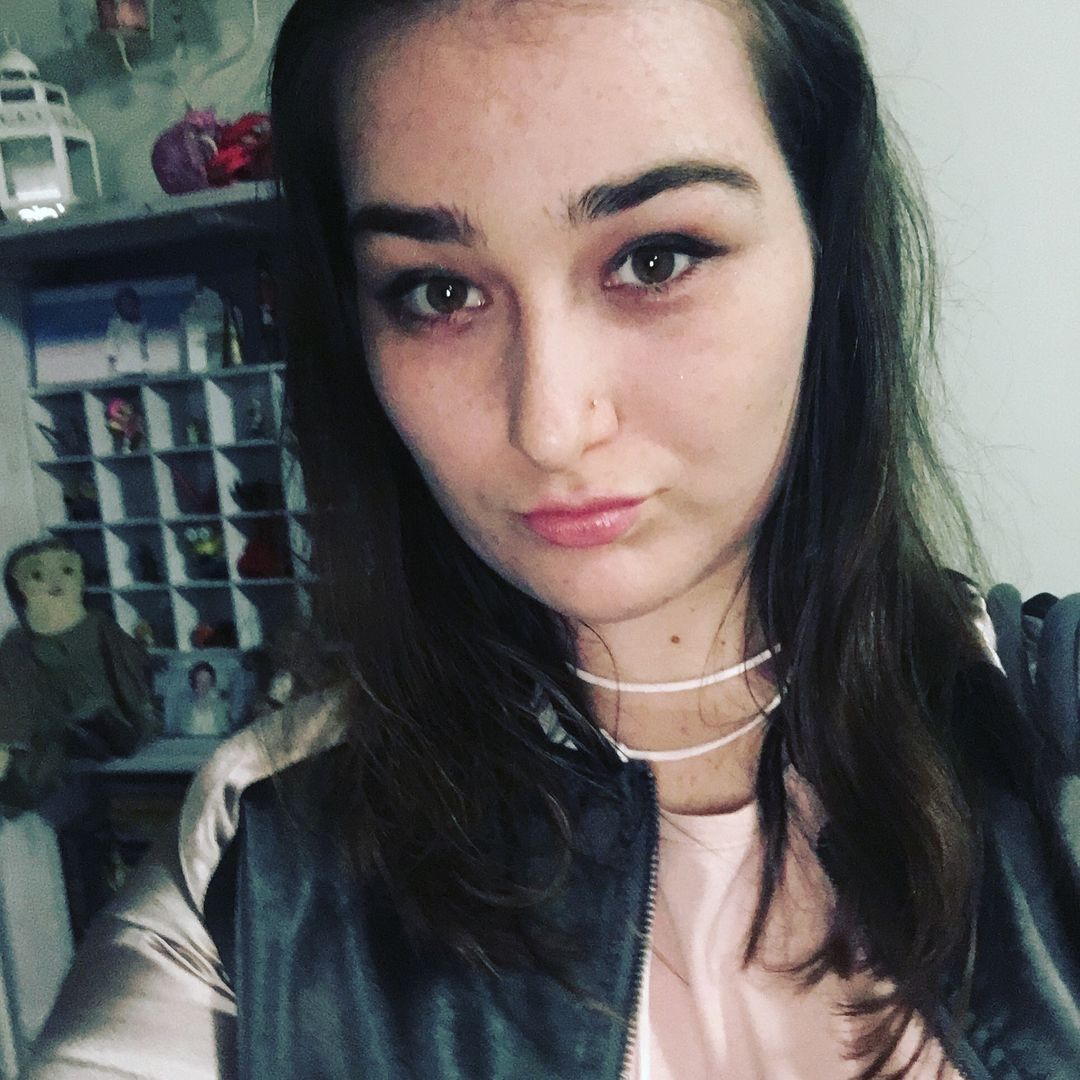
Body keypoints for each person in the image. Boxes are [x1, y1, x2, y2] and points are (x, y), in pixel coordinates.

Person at [27, 0, 1079, 1077]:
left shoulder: (1053, 730)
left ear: (827, 248)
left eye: (656, 259)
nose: (549, 424)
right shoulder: (267, 859)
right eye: (438, 292)